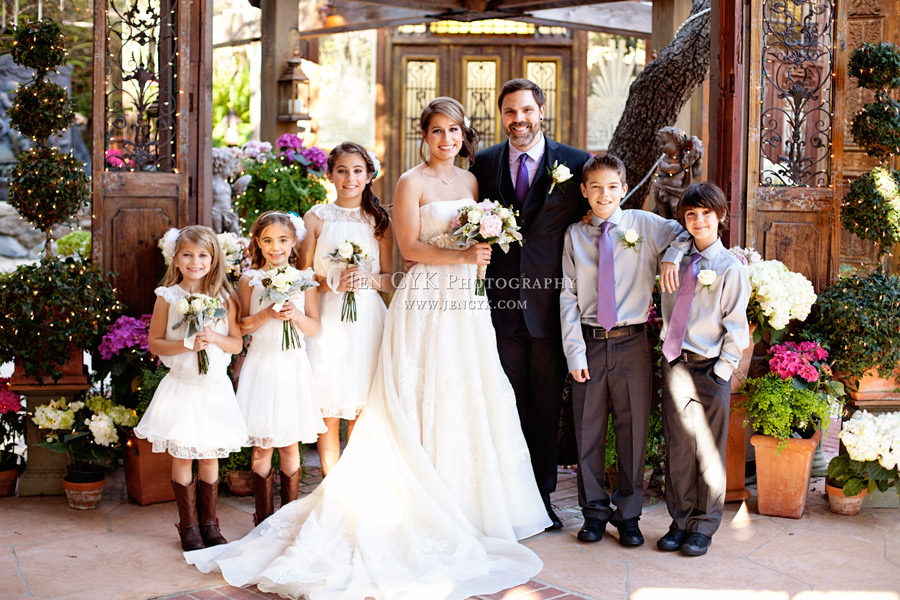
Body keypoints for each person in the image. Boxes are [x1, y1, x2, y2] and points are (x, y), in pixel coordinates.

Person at [185, 98, 549, 599]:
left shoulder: (471, 183)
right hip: (426, 295)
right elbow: (410, 250)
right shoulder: (409, 183)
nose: (447, 140)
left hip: (465, 296)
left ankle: (467, 501)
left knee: (470, 388)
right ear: (424, 135)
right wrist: (463, 251)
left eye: (455, 132)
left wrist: (478, 258)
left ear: (465, 136)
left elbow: (471, 236)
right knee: (421, 389)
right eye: (438, 131)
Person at [470, 78, 590, 530]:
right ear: (502, 116)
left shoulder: (576, 164)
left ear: (541, 110)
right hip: (496, 309)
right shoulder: (482, 164)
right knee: (503, 405)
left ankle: (540, 501)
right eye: (509, 112)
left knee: (543, 410)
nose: (518, 120)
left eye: (525, 110)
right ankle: (503, 501)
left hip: (550, 308)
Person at [559, 154, 686, 546]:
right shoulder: (575, 236)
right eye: (595, 187)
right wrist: (575, 353)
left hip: (633, 342)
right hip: (591, 343)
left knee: (633, 432)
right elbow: (568, 297)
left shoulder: (644, 225)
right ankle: (594, 513)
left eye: (612, 186)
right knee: (589, 431)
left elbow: (685, 232)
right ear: (584, 191)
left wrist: (671, 257)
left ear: (624, 188)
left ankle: (628, 516)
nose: (604, 194)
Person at [135, 225, 247, 551]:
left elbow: (237, 343)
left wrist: (213, 337)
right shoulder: (167, 297)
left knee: (210, 455)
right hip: (183, 387)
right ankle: (188, 525)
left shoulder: (226, 298)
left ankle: (210, 522)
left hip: (214, 390)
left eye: (202, 255)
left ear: (213, 259)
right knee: (184, 455)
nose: (194, 261)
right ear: (176, 257)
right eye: (187, 254)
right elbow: (155, 344)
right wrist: (187, 345)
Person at [656, 182, 750, 556]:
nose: (698, 221)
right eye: (691, 215)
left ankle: (704, 526)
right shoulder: (674, 259)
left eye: (706, 214)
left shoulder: (730, 268)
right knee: (678, 449)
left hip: (710, 367)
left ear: (721, 216)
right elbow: (677, 240)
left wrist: (722, 372)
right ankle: (678, 521)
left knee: (708, 452)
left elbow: (736, 325)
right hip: (676, 363)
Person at [301, 142, 392, 475]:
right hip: (327, 319)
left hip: (366, 321)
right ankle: (330, 484)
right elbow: (302, 276)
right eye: (341, 170)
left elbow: (390, 279)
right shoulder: (316, 218)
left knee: (361, 404)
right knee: (330, 404)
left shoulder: (379, 220)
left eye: (357, 171)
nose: (349, 178)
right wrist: (334, 280)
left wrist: (366, 278)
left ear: (369, 176)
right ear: (330, 175)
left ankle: (354, 485)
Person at [236, 211, 325, 525]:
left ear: (294, 242)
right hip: (262, 364)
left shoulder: (305, 280)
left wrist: (296, 317)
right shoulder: (250, 280)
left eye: (283, 240)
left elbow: (314, 326)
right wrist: (267, 315)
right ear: (258, 243)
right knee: (262, 446)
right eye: (268, 240)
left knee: (289, 444)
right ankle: (262, 517)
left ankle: (287, 517)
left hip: (292, 366)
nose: (276, 247)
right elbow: (242, 325)